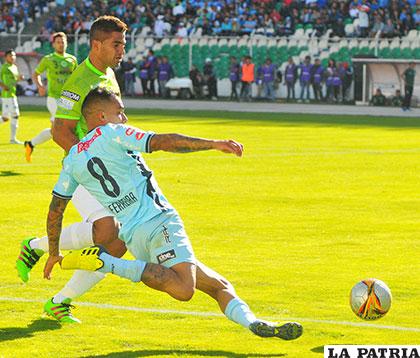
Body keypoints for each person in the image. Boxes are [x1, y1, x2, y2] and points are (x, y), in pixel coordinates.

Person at [44, 87, 303, 341]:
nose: (124, 118)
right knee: (183, 289)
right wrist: (213, 144)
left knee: (217, 285)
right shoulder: (113, 132)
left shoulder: (72, 160)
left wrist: (54, 252)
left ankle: (255, 323)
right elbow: (162, 141)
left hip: (135, 239)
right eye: (120, 112)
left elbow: (56, 210)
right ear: (101, 116)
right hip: (160, 222)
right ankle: (106, 262)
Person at [15, 15, 128, 324]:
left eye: (123, 44)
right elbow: (60, 131)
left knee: (117, 244)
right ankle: (36, 248)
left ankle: (58, 298)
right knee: (109, 231)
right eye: (116, 44)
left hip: (110, 169)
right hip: (84, 170)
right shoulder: (79, 81)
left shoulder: (108, 76)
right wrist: (90, 162)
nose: (122, 50)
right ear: (97, 44)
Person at [24, 32, 78, 162]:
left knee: (58, 131)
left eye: (63, 42)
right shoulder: (48, 59)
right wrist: (40, 86)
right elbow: (36, 74)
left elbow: (76, 78)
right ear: (53, 44)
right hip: (54, 98)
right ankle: (70, 158)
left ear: (66, 43)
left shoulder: (72, 59)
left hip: (69, 99)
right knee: (61, 129)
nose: (61, 44)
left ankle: (30, 144)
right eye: (58, 42)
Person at [0, 49, 24, 144]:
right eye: (10, 56)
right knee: (15, 115)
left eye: (14, 56)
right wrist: (3, 86)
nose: (12, 57)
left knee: (5, 118)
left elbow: (13, 81)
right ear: (5, 57)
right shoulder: (5, 68)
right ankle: (13, 139)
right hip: (7, 95)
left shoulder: (14, 67)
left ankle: (13, 139)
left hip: (12, 94)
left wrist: (19, 79)